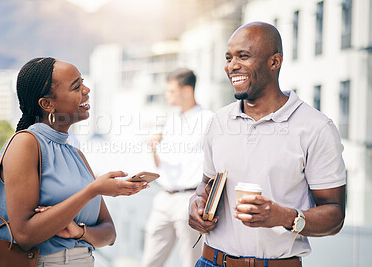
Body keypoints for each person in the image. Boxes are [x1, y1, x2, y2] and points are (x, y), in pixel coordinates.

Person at [188, 21, 346, 266]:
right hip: (211, 261)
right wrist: (196, 204)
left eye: (243, 56)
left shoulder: (316, 128)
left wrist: (283, 216)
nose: (232, 66)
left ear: (274, 62)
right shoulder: (218, 122)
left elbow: (334, 214)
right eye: (228, 57)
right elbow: (205, 184)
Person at [0, 57, 148, 266]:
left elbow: (109, 234)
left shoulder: (75, 154)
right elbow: (25, 236)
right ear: (47, 104)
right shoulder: (26, 144)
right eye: (76, 87)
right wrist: (92, 190)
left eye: (82, 82)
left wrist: (79, 231)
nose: (87, 89)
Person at [141, 68, 214, 267]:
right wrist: (154, 147)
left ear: (187, 90)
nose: (167, 95)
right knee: (149, 261)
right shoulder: (172, 120)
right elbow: (162, 162)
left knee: (191, 262)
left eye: (171, 90)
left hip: (189, 198)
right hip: (164, 196)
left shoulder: (208, 120)